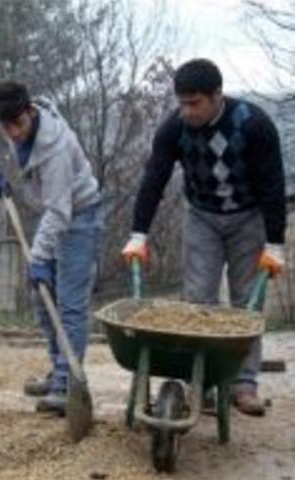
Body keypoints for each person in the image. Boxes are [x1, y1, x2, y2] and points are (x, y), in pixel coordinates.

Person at [121, 58, 287, 416]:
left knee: (246, 303)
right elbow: (154, 180)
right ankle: (203, 382)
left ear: (216, 95)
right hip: (202, 217)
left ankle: (244, 384)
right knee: (198, 302)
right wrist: (138, 234)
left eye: (194, 103)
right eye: (181, 103)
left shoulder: (253, 124)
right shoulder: (174, 129)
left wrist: (275, 243)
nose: (186, 111)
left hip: (248, 217)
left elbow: (273, 184)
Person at [0, 81, 103, 414]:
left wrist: (38, 257)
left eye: (19, 125)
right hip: (54, 213)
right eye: (7, 126)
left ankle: (69, 384)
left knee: (69, 303)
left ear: (30, 112)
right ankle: (58, 371)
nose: (14, 133)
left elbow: (60, 212)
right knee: (42, 297)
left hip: (79, 216)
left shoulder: (57, 147)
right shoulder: (4, 124)